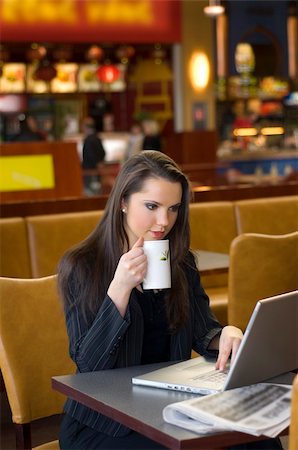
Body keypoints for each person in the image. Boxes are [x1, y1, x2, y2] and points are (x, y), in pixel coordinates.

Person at [57, 151, 282, 450]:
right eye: (152, 206)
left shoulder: (180, 261)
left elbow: (204, 332)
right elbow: (88, 366)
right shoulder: (83, 266)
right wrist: (120, 289)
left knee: (259, 440)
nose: (164, 221)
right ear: (123, 201)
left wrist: (227, 334)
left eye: (174, 208)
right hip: (103, 422)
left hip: (167, 409)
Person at [81, 116, 106, 195]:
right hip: (96, 173)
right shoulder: (97, 138)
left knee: (91, 193)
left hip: (90, 173)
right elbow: (103, 153)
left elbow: (90, 157)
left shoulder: (89, 140)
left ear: (85, 126)